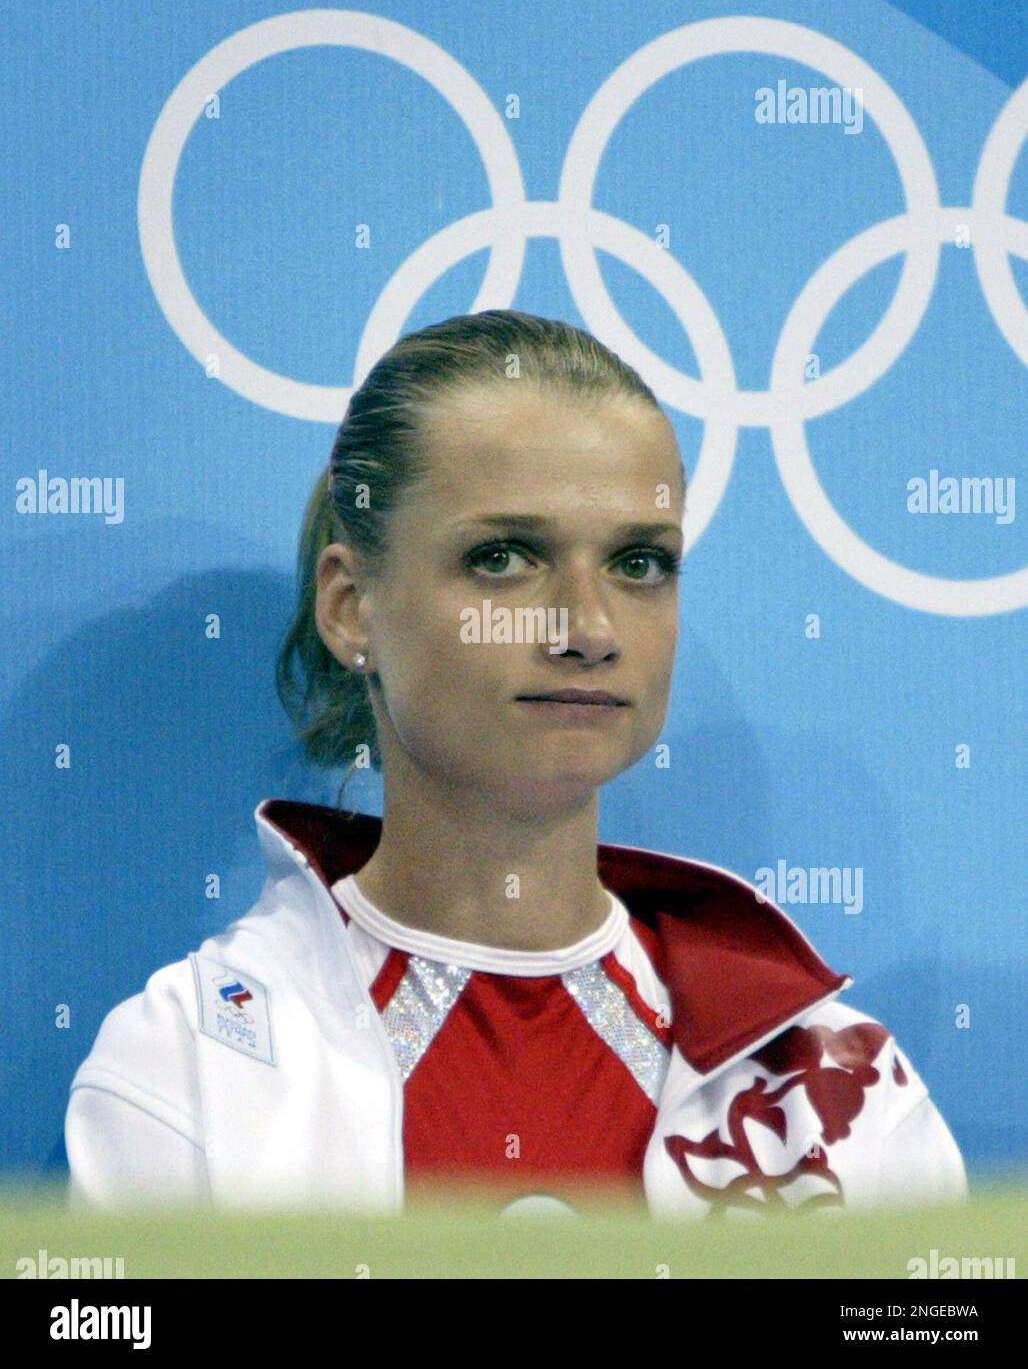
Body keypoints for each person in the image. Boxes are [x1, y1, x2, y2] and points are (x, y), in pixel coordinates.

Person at [64, 310, 967, 1219]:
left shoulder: (838, 1089)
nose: (587, 628)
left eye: (639, 563)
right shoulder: (192, 1066)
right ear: (351, 609)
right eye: (502, 558)